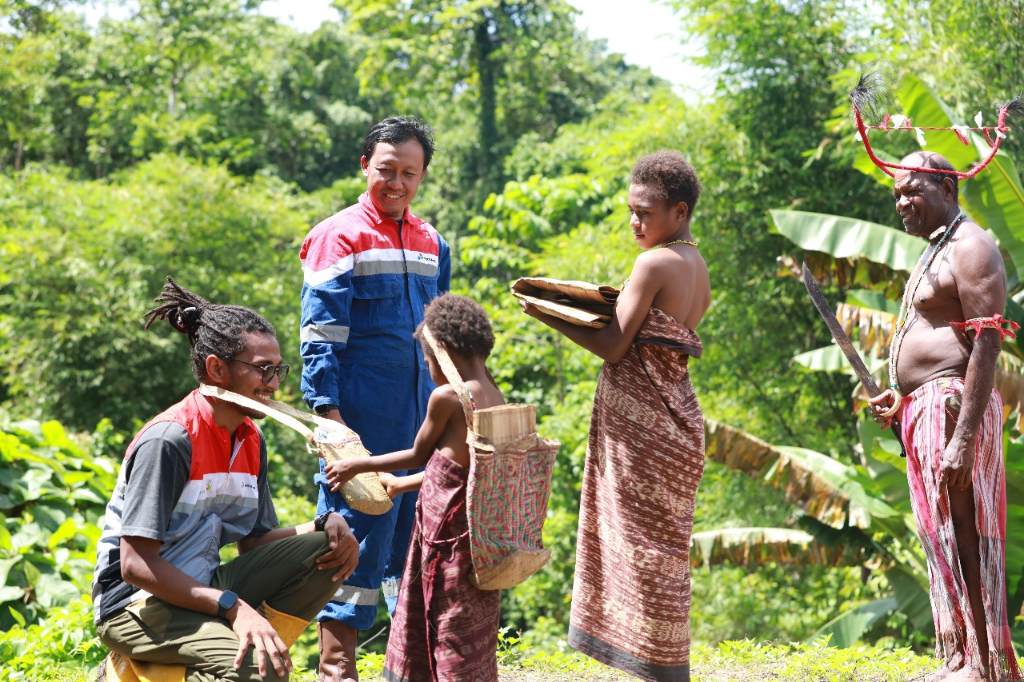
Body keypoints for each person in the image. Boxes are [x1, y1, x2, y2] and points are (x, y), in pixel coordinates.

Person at [92, 278, 360, 682]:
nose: (273, 384)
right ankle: (136, 671)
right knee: (261, 668)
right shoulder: (170, 440)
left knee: (327, 550)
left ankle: (232, 653)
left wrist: (322, 526)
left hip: (202, 587)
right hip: (136, 603)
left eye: (278, 370)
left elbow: (254, 541)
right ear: (217, 369)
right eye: (262, 370)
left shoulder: (251, 440)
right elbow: (135, 566)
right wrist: (234, 607)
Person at [520, 151, 711, 681]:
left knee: (643, 550)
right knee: (662, 552)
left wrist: (545, 311)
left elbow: (613, 345)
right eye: (630, 211)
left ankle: (661, 669)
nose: (635, 223)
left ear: (678, 211)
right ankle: (667, 664)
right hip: (678, 425)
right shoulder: (696, 265)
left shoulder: (653, 264)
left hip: (647, 429)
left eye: (645, 213)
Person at [298, 116, 451, 680]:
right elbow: (319, 336)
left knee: (417, 553)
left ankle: (408, 668)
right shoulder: (337, 235)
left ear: (422, 176)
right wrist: (332, 423)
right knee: (349, 546)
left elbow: (444, 334)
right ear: (365, 166)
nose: (397, 183)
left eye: (409, 173)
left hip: (422, 426)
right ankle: (337, 671)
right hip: (360, 424)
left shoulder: (433, 242)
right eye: (387, 170)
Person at [870, 152, 1022, 682]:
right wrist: (900, 394)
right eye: (896, 195)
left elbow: (986, 341)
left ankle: (986, 666)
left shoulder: (972, 245)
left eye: (913, 191)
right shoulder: (937, 248)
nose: (902, 203)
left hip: (955, 407)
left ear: (948, 190)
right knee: (942, 537)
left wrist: (961, 438)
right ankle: (963, 657)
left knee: (966, 533)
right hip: (925, 407)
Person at [323, 293, 504, 681]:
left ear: (442, 354)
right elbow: (459, 469)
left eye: (427, 363)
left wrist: (358, 463)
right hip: (481, 532)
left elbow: (420, 453)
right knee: (463, 612)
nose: (428, 372)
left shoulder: (449, 396)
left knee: (444, 614)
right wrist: (400, 485)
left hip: (448, 536)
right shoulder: (494, 395)